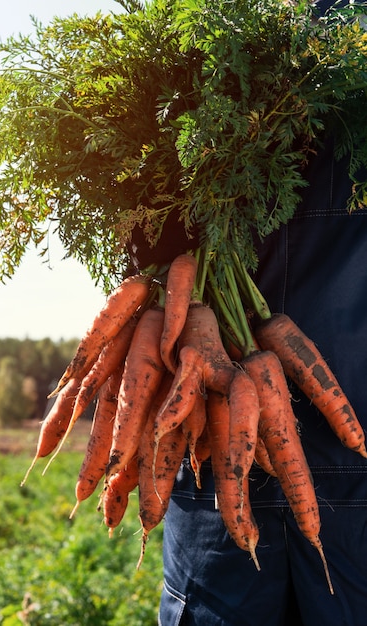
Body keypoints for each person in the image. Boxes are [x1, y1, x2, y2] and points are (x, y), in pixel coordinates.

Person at [158, 3, 367, 625]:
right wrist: (190, 310)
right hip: (214, 456)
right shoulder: (193, 40)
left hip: (344, 469)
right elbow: (145, 224)